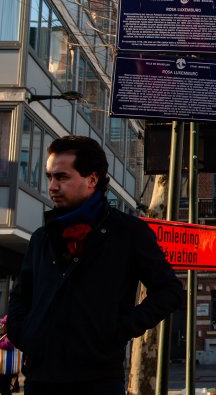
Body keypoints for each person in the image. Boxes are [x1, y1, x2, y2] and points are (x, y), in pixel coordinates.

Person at [7, 136, 183, 395]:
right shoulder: (42, 237)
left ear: (92, 179)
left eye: (62, 177)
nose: (52, 186)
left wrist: (118, 330)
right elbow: (22, 294)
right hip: (40, 378)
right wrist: (23, 332)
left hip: (98, 380)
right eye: (49, 177)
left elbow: (169, 291)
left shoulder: (128, 232)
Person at [0, 316, 17, 395]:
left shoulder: (11, 334)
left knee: (5, 389)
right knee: (4, 389)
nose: (2, 326)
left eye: (4, 324)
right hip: (4, 368)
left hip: (6, 368)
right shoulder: (6, 335)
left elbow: (8, 345)